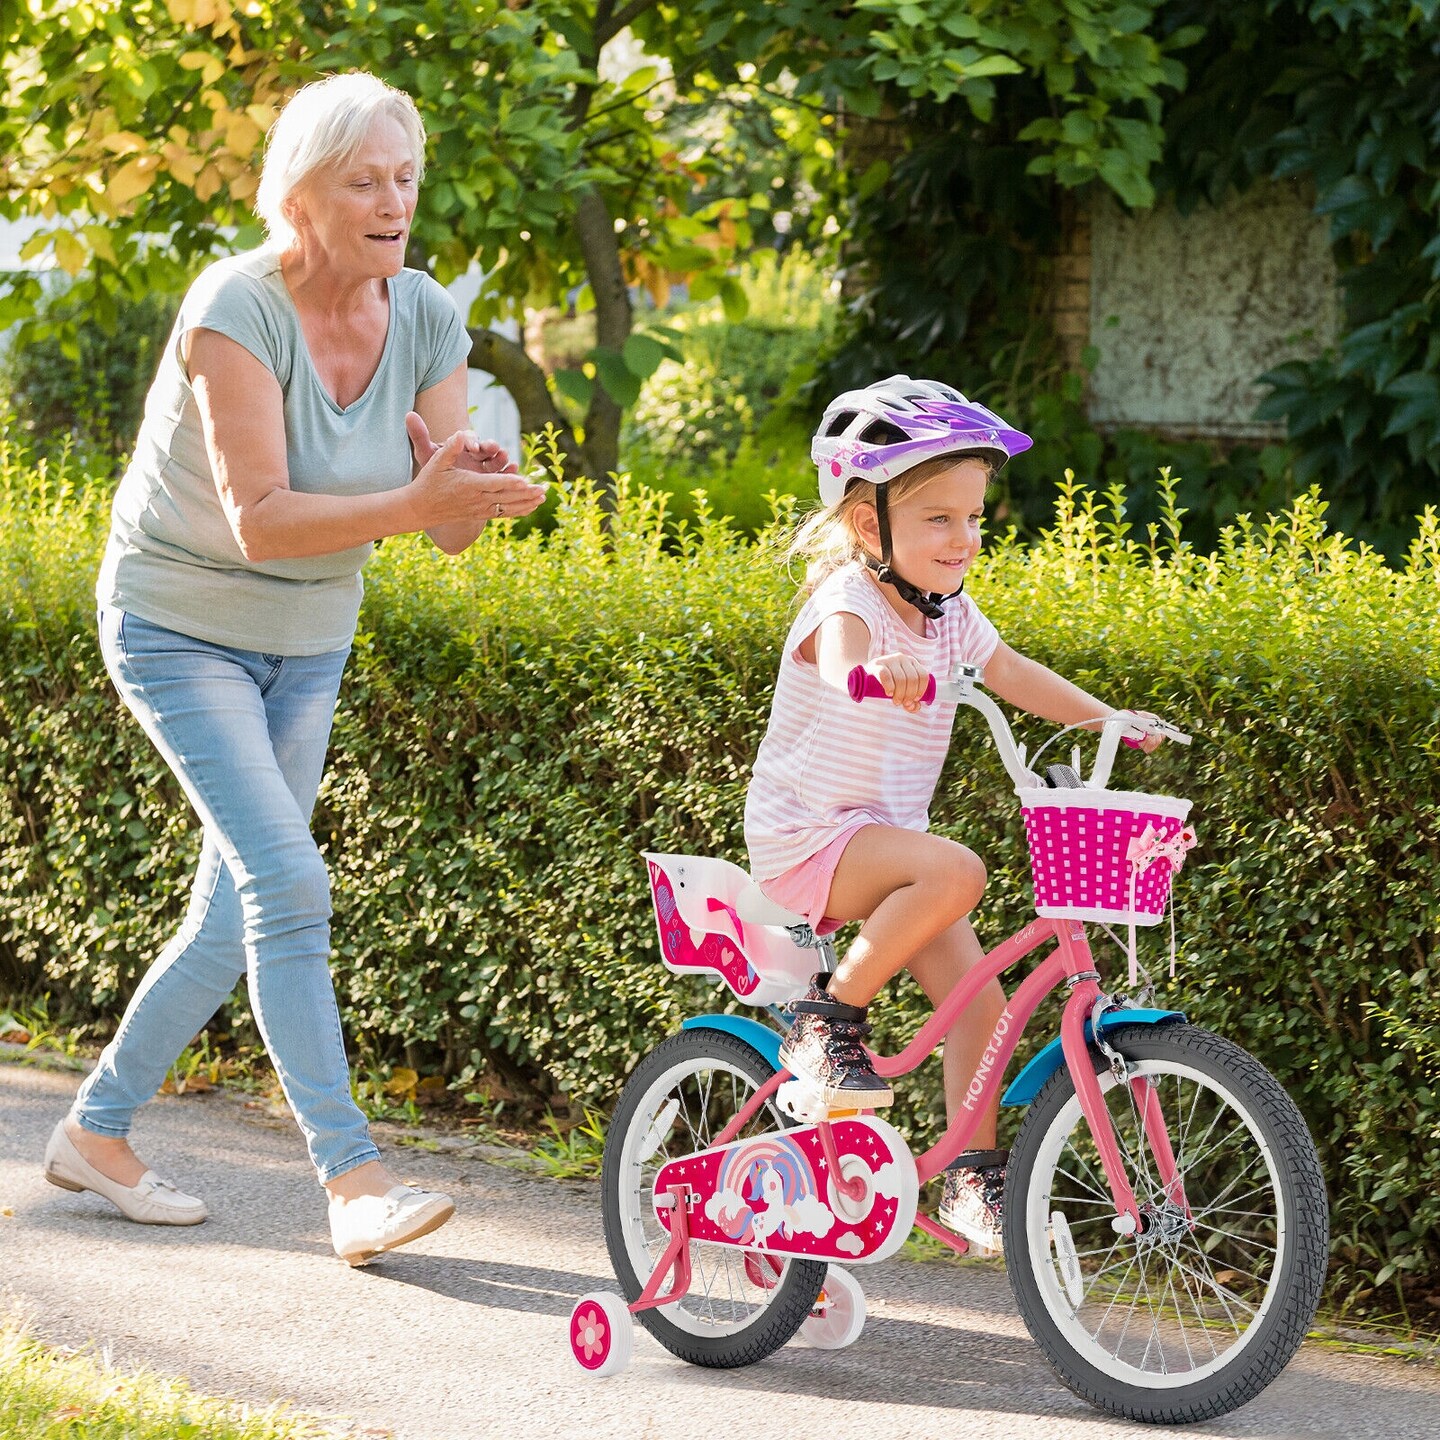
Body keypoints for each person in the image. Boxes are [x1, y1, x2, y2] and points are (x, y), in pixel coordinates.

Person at [42, 72, 546, 1266]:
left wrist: (467, 486)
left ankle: (96, 1132)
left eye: (405, 180)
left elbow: (442, 524)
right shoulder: (236, 307)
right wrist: (420, 497)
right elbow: (261, 517)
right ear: (299, 196)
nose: (392, 202)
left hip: (309, 640)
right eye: (363, 181)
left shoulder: (424, 314)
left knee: (232, 914)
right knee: (289, 884)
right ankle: (353, 1179)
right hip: (179, 625)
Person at [743, 375, 1166, 1255]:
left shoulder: (951, 616)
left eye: (974, 517)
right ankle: (825, 1019)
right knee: (958, 868)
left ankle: (973, 1177)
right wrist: (874, 677)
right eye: (938, 518)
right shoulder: (846, 603)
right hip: (809, 837)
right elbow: (839, 663)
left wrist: (1107, 719)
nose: (964, 537)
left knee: (985, 1007)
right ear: (872, 526)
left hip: (885, 851)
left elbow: (1010, 672)